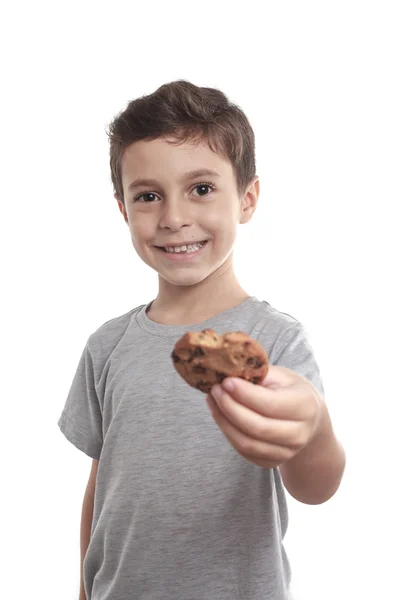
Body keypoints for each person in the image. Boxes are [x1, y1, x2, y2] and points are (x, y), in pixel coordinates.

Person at [58, 80, 346, 600]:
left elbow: (315, 487)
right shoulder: (107, 345)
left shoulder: (275, 340)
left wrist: (315, 429)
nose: (173, 218)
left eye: (202, 189)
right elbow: (102, 487)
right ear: (123, 209)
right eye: (148, 196)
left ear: (248, 198)